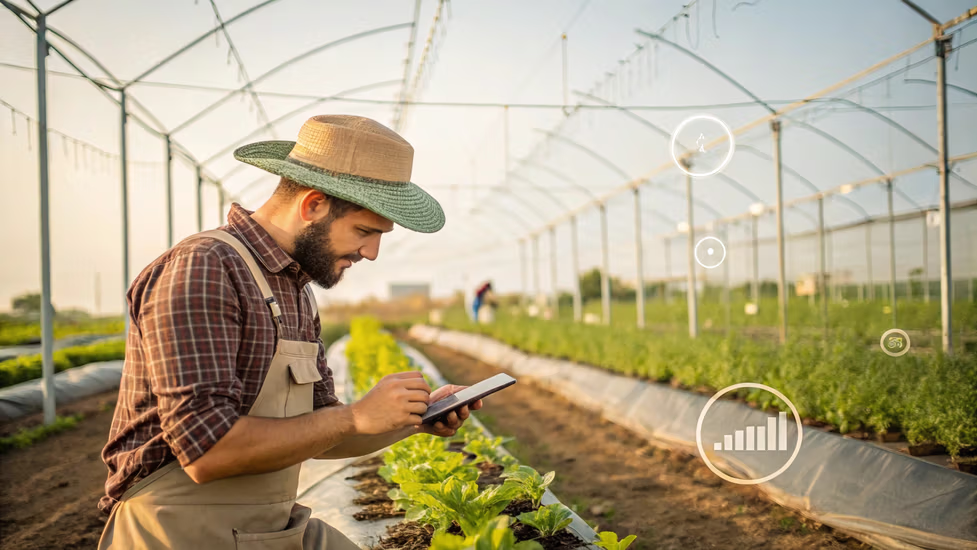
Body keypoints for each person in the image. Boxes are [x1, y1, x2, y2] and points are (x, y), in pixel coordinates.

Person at [98, 115, 483, 549]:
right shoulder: (205, 268)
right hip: (177, 530)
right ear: (313, 204)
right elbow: (206, 451)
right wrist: (355, 415)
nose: (371, 252)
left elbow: (321, 433)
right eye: (364, 231)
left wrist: (414, 419)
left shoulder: (294, 289)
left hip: (265, 526)